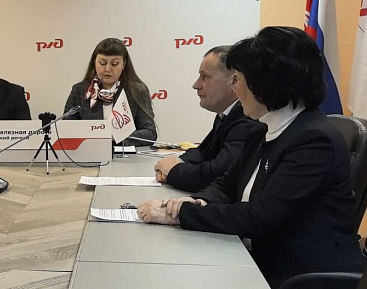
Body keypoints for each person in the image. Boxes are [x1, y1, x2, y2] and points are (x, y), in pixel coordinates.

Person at [138, 27, 365, 287]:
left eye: (237, 79)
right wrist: (198, 200)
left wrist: (181, 214)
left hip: (298, 276)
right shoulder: (263, 128)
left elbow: (259, 217)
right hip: (256, 259)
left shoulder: (314, 140)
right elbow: (226, 185)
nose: (235, 89)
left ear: (264, 82)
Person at [154, 46, 259, 192]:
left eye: (205, 77)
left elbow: (217, 174)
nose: (196, 85)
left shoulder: (246, 118)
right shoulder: (226, 113)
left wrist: (173, 171)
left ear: (234, 80)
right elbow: (203, 151)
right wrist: (176, 161)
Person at [63, 38, 156, 145]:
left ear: (124, 64)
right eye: (102, 63)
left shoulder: (137, 91)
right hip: (90, 152)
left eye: (114, 64)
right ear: (94, 62)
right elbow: (66, 130)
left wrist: (115, 137)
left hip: (125, 153)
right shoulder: (79, 90)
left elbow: (150, 133)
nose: (107, 69)